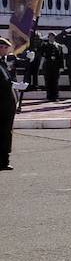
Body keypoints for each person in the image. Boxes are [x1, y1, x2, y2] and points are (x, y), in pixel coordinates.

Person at [0, 36, 23, 170]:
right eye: (3, 48)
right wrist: (12, 84)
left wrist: (28, 60)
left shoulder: (3, 62)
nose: (5, 50)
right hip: (2, 104)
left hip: (7, 104)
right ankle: (2, 160)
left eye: (6, 48)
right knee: (3, 132)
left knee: (6, 132)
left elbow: (16, 64)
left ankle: (4, 159)